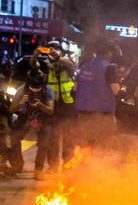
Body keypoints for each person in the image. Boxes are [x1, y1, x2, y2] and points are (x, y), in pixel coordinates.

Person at [31, 40, 76, 170]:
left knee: (69, 136)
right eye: (50, 48)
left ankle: (68, 164)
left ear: (61, 51)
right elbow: (34, 65)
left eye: (56, 48)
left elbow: (71, 66)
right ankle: (53, 166)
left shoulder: (66, 61)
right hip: (53, 106)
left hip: (68, 105)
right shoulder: (45, 64)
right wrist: (35, 55)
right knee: (53, 138)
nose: (53, 50)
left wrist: (57, 57)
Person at [74, 39, 122, 156]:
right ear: (109, 53)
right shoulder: (109, 68)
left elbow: (75, 89)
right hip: (102, 116)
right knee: (102, 147)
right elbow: (116, 91)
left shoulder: (84, 67)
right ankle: (96, 172)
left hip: (83, 114)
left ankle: (82, 171)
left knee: (85, 147)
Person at [8, 69, 54, 179]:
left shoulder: (47, 91)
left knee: (44, 142)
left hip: (42, 118)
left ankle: (38, 169)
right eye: (33, 87)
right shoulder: (21, 90)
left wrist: (40, 105)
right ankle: (17, 164)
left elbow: (50, 110)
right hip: (25, 118)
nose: (35, 90)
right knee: (14, 137)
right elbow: (12, 109)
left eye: (37, 87)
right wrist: (21, 103)